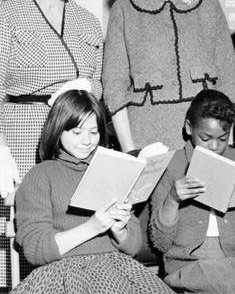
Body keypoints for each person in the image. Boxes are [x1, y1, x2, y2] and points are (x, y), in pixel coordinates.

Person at [0, 0, 103, 288]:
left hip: (70, 145)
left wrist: (89, 87)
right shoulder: (4, 17)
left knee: (64, 238)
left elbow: (98, 83)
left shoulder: (89, 22)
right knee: (13, 247)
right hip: (19, 139)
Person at [10, 90, 173, 294]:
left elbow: (133, 247)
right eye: (77, 132)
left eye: (94, 132)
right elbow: (35, 249)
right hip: (61, 275)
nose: (87, 140)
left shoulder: (111, 168)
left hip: (117, 271)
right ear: (58, 130)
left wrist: (119, 230)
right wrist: (92, 227)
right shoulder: (41, 175)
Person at [103, 0, 235, 153]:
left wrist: (226, 147)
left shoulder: (207, 2)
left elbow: (228, 80)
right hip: (147, 141)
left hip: (207, 142)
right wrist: (131, 152)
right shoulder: (123, 11)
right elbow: (114, 90)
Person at [149, 89, 235, 294]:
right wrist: (173, 199)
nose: (214, 146)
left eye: (222, 138)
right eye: (205, 137)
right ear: (188, 128)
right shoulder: (171, 165)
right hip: (189, 263)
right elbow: (161, 241)